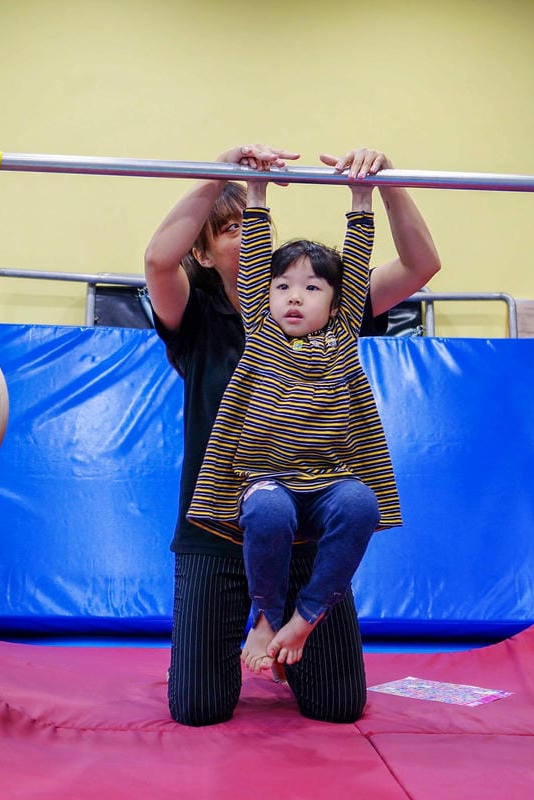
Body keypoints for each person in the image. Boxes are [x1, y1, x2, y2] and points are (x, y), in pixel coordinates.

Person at [144, 145, 440, 726]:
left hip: (306, 534)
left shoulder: (325, 309)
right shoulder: (197, 314)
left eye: (247, 225)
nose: (243, 236)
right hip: (219, 533)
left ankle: (293, 625)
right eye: (225, 230)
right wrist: (222, 173)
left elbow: (421, 265)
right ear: (202, 252)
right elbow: (158, 259)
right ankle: (260, 620)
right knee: (199, 708)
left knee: (337, 707)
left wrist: (384, 184)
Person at [187, 172, 401, 677]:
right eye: (282, 286)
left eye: (310, 288)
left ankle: (305, 617)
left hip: (330, 481)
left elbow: (359, 252)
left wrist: (362, 197)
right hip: (269, 480)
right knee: (265, 511)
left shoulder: (344, 333)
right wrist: (256, 192)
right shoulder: (260, 330)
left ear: (336, 301)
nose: (294, 297)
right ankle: (265, 615)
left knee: (360, 504)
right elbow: (256, 257)